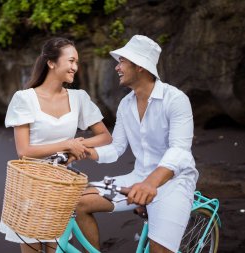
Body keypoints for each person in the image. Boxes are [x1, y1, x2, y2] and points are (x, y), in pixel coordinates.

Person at [75, 35, 199, 253]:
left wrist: (150, 183)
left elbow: (180, 150)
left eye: (122, 61)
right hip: (137, 179)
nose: (117, 67)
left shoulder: (176, 99)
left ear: (140, 66)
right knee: (79, 202)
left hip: (174, 183)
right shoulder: (125, 104)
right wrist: (84, 151)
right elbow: (117, 148)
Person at [0, 37, 112, 253]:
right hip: (32, 187)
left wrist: (78, 146)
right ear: (51, 62)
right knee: (31, 248)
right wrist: (67, 144)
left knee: (56, 249)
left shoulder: (79, 98)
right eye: (71, 61)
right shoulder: (25, 99)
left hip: (61, 187)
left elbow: (104, 136)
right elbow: (24, 151)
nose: (75, 67)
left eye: (77, 62)